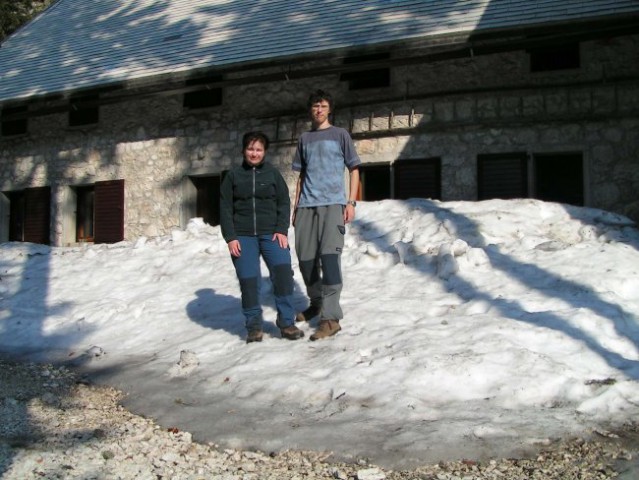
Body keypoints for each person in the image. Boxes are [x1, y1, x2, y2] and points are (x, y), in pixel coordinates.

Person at [220, 131, 304, 343]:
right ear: (243, 150)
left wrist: (281, 230)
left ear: (264, 152)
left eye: (258, 149)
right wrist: (231, 237)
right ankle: (254, 326)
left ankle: (286, 322)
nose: (254, 153)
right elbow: (225, 208)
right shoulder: (233, 176)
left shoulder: (273, 174)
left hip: (271, 234)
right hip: (243, 236)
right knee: (249, 281)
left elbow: (284, 203)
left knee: (284, 274)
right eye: (250, 149)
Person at [292, 89, 361, 341]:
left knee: (330, 261)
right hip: (306, 207)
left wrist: (351, 201)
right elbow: (301, 176)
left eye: (322, 106)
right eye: (314, 106)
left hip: (333, 205)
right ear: (310, 110)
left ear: (329, 108)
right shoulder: (305, 138)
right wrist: (296, 206)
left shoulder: (341, 135)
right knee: (306, 260)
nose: (318, 110)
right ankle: (317, 302)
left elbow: (354, 169)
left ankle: (331, 318)